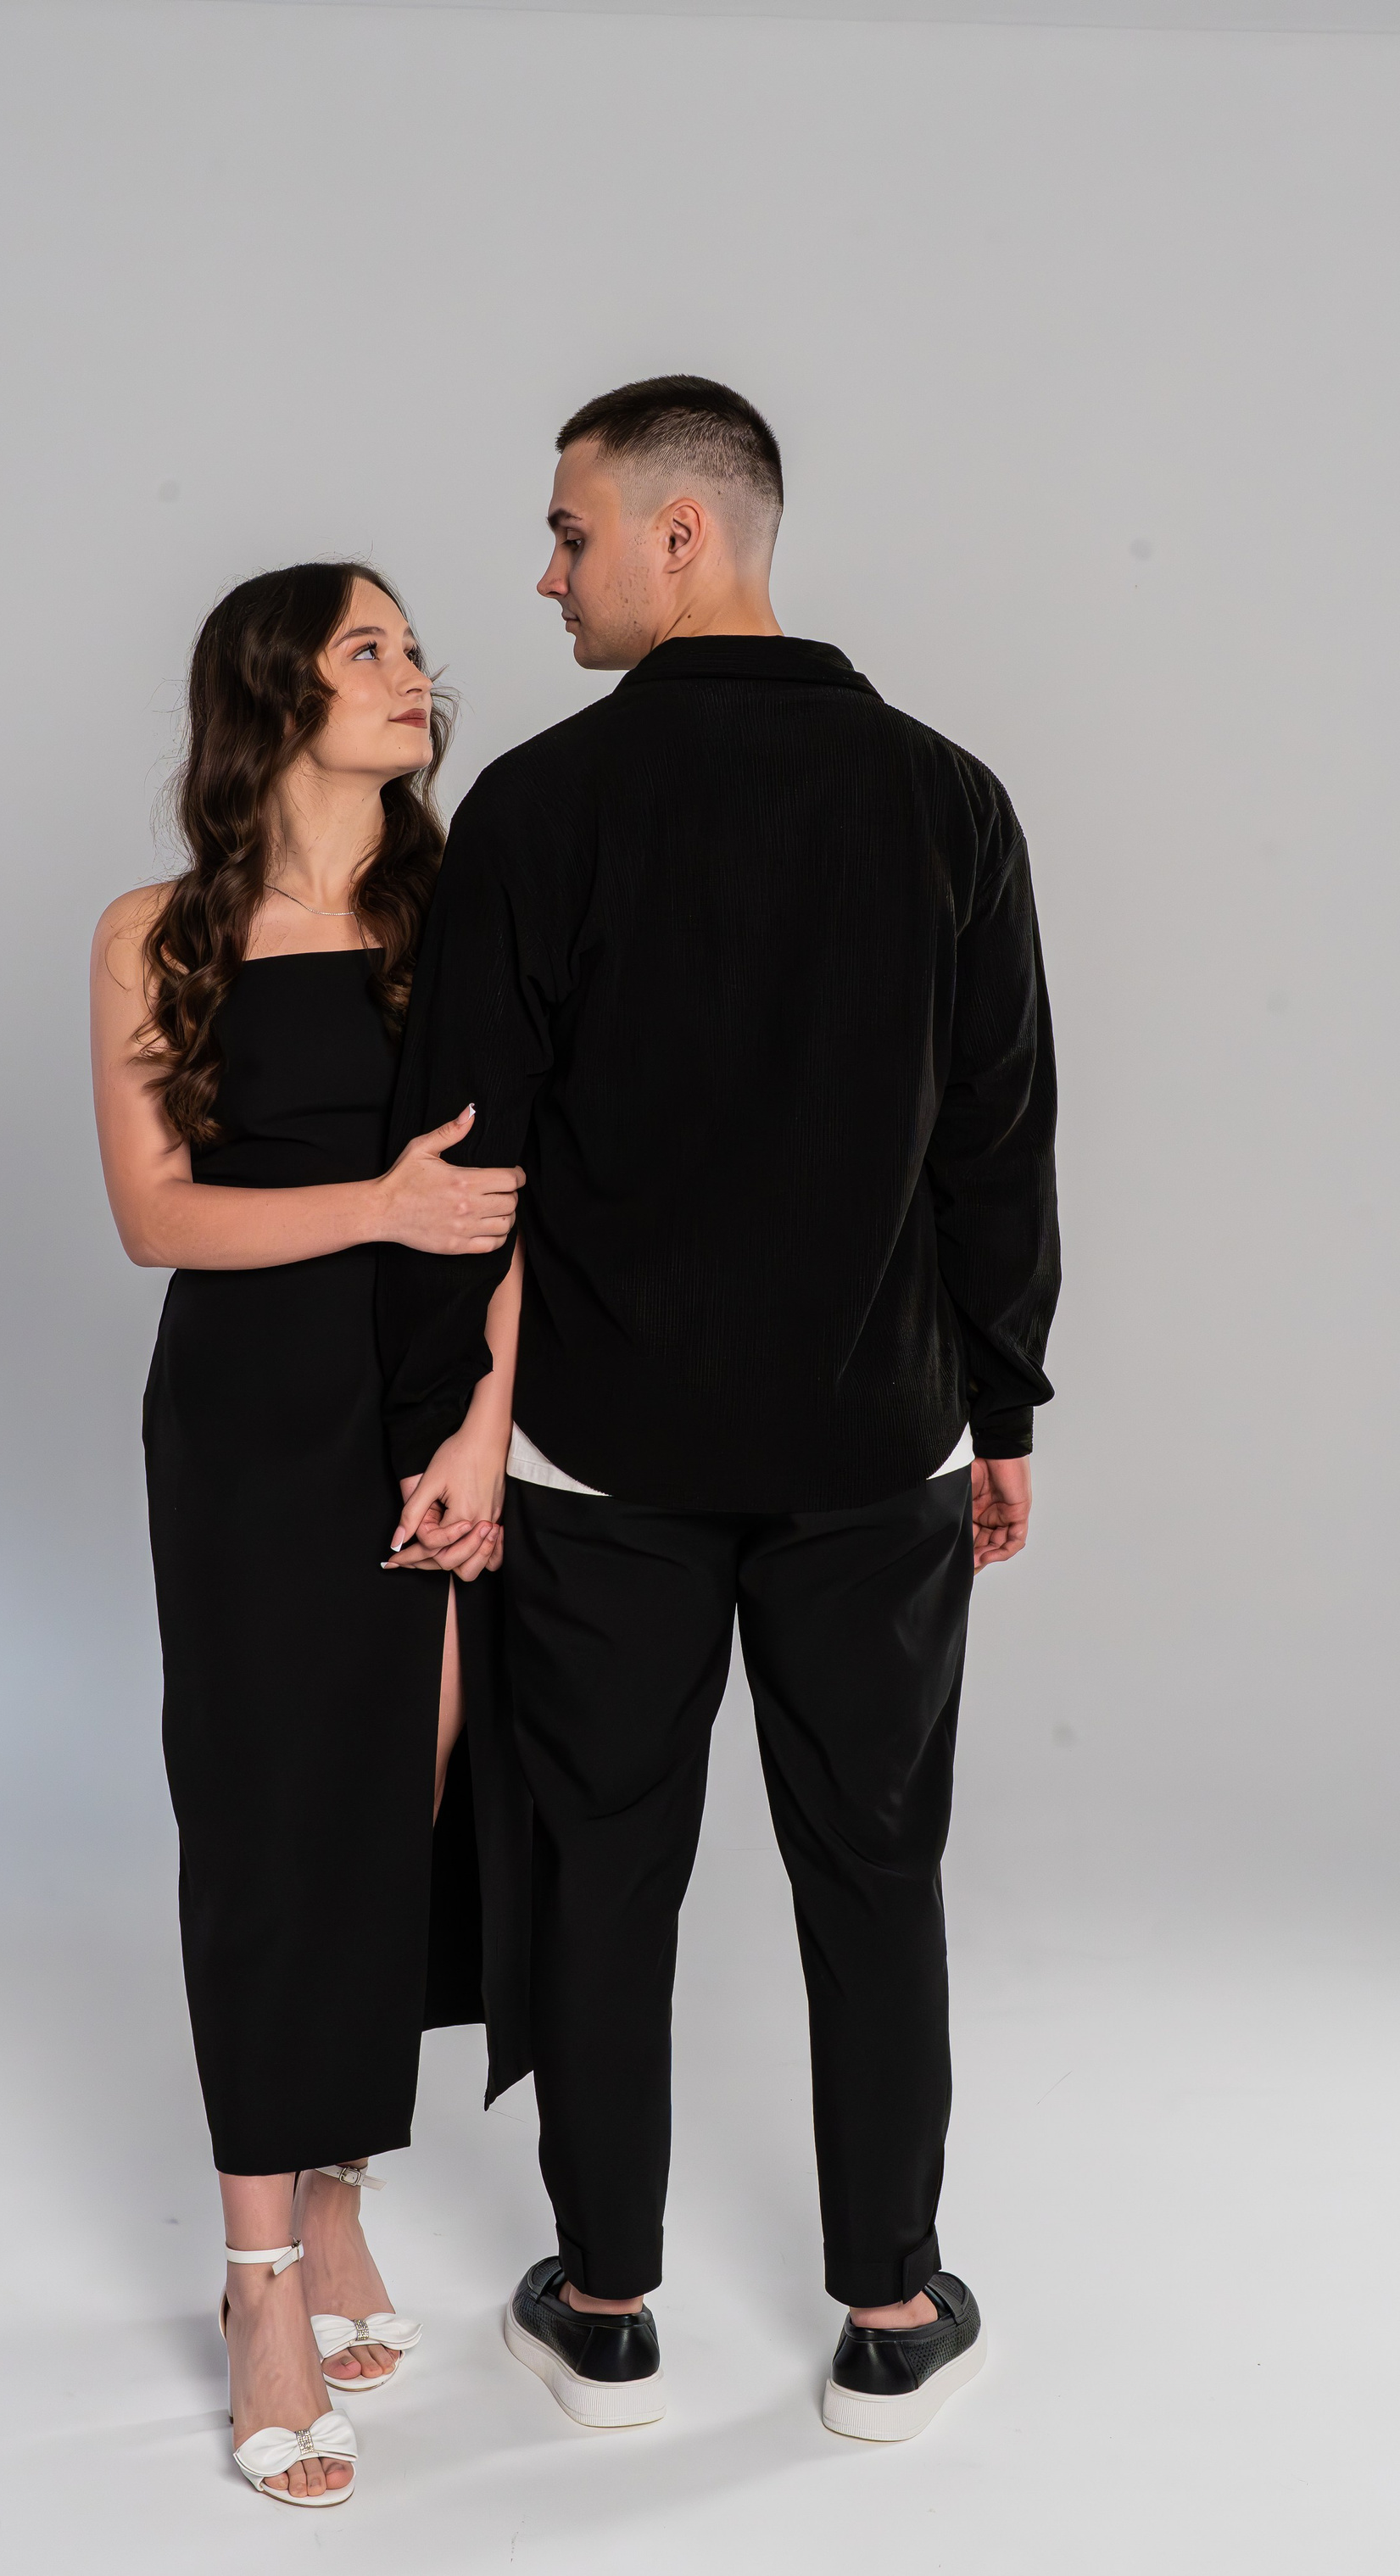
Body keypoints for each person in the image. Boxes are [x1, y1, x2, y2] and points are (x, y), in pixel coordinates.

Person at [377, 377, 1060, 2443]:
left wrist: (450, 1421)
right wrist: (1004, 1408)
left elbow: (464, 1162)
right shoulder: (948, 799)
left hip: (604, 1451)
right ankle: (890, 2315)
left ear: (684, 533)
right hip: (877, 1443)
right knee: (876, 1866)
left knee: (602, 1868)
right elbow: (998, 1145)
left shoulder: (541, 809)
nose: (545, 573)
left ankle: (603, 2309)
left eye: (569, 529)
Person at [89, 562, 531, 2506]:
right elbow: (155, 1216)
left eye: (416, 649)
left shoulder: (466, 922)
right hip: (249, 1427)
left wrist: (487, 1432)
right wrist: (372, 1205)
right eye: (372, 649)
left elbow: (519, 1208)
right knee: (269, 1831)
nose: (416, 674)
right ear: (275, 694)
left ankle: (340, 2190)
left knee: (400, 1817)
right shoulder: (154, 933)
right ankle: (260, 2278)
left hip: (430, 1413)